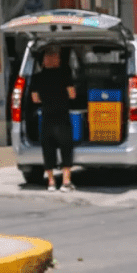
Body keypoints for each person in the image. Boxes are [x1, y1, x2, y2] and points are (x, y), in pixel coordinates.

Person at [30, 45, 77, 192]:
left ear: (43, 62)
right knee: (66, 148)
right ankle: (66, 182)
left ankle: (51, 182)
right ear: (57, 60)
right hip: (62, 117)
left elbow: (35, 99)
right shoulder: (64, 74)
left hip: (46, 117)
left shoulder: (37, 77)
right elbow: (72, 95)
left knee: (48, 149)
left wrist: (47, 99)